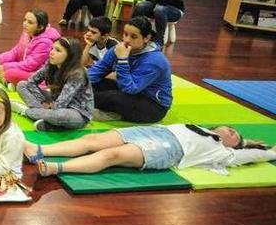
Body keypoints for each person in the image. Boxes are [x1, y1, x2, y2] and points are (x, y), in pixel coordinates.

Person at [27, 124, 276, 177]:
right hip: (158, 131)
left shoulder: (222, 152)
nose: (231, 131)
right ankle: (39, 149)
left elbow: (253, 154)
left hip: (170, 149)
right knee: (94, 139)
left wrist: (271, 152)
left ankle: (56, 168)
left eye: (236, 136)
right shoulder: (198, 125)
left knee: (112, 156)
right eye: (231, 128)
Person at [88, 17, 172, 123]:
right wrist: (78, 83)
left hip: (153, 105)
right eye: (125, 34)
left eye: (133, 37)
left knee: (111, 97)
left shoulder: (155, 61)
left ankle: (82, 104)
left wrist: (123, 60)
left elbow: (130, 89)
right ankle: (98, 107)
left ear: (146, 38)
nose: (126, 40)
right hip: (131, 92)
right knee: (97, 84)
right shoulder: (118, 49)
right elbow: (99, 70)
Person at [14, 37, 94, 131]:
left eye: (58, 50)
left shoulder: (77, 73)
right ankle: (45, 119)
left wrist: (50, 107)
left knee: (60, 115)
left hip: (77, 113)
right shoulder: (51, 65)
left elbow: (61, 104)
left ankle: (27, 112)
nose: (51, 52)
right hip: (54, 102)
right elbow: (31, 81)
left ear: (70, 56)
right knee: (22, 85)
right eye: (52, 48)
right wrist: (43, 102)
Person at [0, 9, 61, 86]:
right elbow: (15, 52)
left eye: (30, 22)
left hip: (35, 73)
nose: (25, 24)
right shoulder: (27, 32)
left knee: (10, 74)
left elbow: (29, 65)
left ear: (40, 27)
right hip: (23, 64)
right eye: (24, 20)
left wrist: (4, 67)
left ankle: (8, 79)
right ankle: (7, 79)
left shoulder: (45, 43)